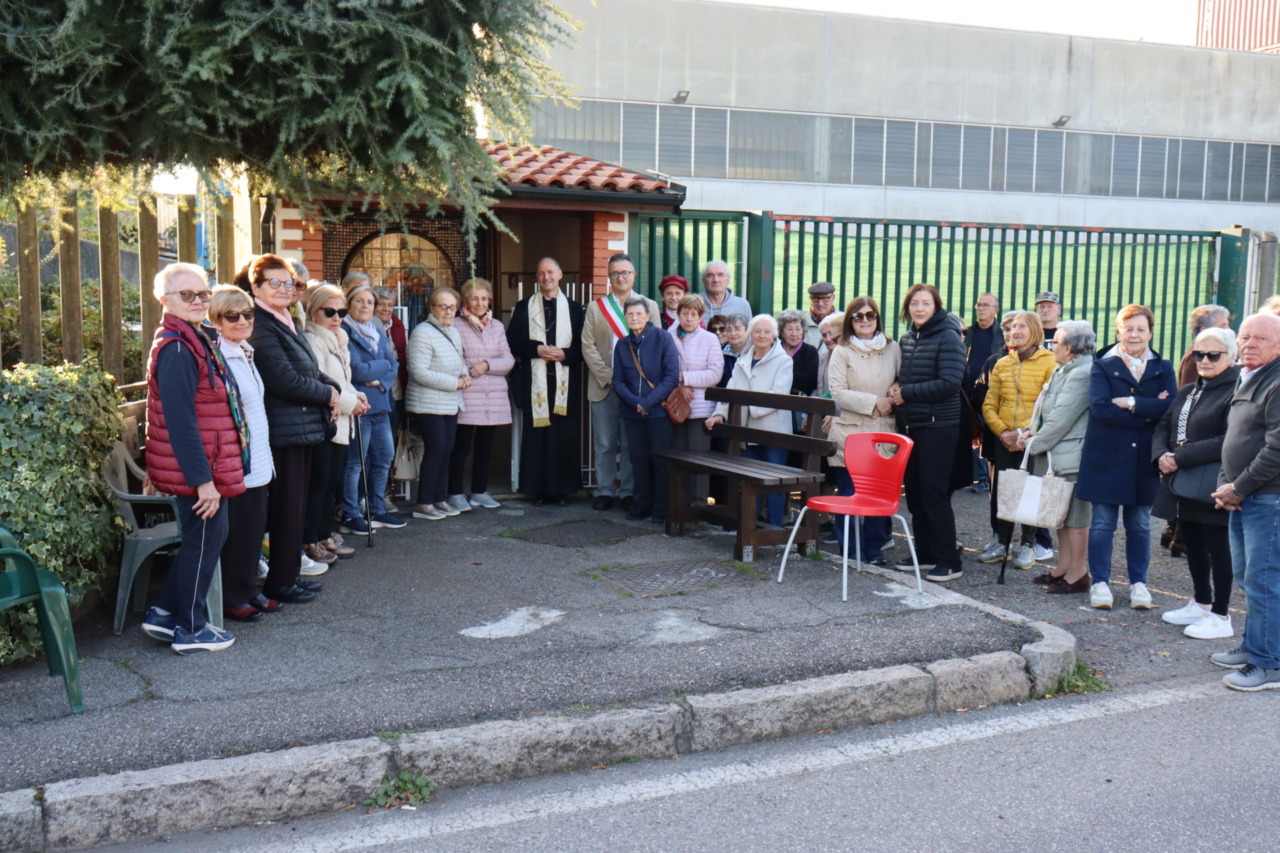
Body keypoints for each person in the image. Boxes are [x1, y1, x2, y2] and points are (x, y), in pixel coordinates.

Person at [141, 264, 243, 653]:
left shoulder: (194, 338)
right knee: (203, 542)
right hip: (199, 471)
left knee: (207, 540)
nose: (199, 301)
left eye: (204, 294)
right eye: (188, 295)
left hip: (207, 465)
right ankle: (190, 630)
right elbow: (181, 422)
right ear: (164, 300)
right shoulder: (179, 348)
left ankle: (166, 614)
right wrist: (203, 481)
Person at [246, 253, 337, 605]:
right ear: (256, 287)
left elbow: (310, 368)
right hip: (283, 429)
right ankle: (280, 582)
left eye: (289, 283)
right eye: (275, 283)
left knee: (295, 507)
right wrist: (328, 393)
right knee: (285, 508)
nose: (284, 289)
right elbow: (282, 380)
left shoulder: (285, 319)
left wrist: (334, 388)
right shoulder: (260, 323)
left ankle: (288, 576)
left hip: (301, 425)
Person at [1076, 304, 1177, 610]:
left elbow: (1169, 408)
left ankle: (1139, 584)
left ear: (1150, 332)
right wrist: (1149, 408)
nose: (1134, 334)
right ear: (1118, 330)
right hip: (1106, 456)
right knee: (1103, 524)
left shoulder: (1164, 367)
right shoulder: (1102, 365)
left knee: (1141, 525)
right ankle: (1101, 583)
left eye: (1141, 329)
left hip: (1143, 460)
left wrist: (1132, 403)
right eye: (1128, 328)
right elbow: (1102, 409)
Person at [1152, 326, 1238, 638]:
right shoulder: (1190, 389)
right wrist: (1161, 453)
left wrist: (1180, 456)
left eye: (1213, 355)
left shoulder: (1234, 389)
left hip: (1212, 481)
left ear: (1230, 356)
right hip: (1184, 482)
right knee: (1193, 542)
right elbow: (1165, 424)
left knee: (1218, 548)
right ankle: (1201, 602)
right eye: (1198, 354)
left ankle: (1221, 614)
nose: (1204, 360)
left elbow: (1226, 438)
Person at [206, 286, 285, 622]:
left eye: (247, 314)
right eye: (232, 316)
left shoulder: (245, 351)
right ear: (217, 321)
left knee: (254, 528)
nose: (242, 321)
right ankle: (233, 595)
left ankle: (250, 588)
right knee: (238, 532)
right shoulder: (219, 356)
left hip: (260, 457)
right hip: (238, 461)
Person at [1211, 313, 1280, 690]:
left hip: (1268, 500)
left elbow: (1276, 448)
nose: (1249, 344)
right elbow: (1233, 439)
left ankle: (1269, 664)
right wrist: (1229, 485)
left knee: (1263, 579)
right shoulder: (1249, 375)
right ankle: (1255, 647)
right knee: (1248, 577)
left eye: (1260, 339)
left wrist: (1240, 487)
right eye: (1245, 337)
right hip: (1246, 496)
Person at [888, 283, 966, 583]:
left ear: (936, 307)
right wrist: (898, 387)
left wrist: (905, 393)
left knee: (934, 492)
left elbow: (949, 382)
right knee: (917, 494)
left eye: (926, 303)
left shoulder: (948, 336)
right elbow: (909, 376)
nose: (919, 308)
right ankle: (925, 552)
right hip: (912, 426)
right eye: (914, 303)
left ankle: (949, 559)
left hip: (938, 426)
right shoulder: (909, 337)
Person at [1018, 321, 1096, 594]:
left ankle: (1078, 574)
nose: (1051, 347)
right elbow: (1044, 412)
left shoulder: (1082, 373)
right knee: (1061, 517)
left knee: (1076, 519)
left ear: (1070, 348)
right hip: (1057, 455)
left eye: (1056, 343)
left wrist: (1033, 444)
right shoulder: (1065, 369)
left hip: (1070, 457)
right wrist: (1028, 432)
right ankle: (1063, 568)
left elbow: (1062, 417)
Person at [979, 310, 1056, 569]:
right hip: (1006, 439)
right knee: (1007, 492)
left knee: (1031, 492)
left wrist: (1026, 433)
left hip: (1032, 441)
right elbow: (990, 404)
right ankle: (1002, 543)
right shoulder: (1002, 364)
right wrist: (1003, 432)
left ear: (1035, 330)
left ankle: (1028, 545)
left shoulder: (1050, 363)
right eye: (1013, 328)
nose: (1016, 331)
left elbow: (1049, 405)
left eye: (1022, 327)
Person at [582, 252, 658, 511]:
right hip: (605, 386)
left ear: (634, 275)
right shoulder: (596, 307)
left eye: (625, 272)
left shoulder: (649, 306)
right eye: (615, 273)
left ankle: (627, 491)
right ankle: (604, 490)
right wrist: (608, 376)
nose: (621, 277)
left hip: (636, 389)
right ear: (609, 277)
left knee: (630, 443)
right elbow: (587, 346)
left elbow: (655, 343)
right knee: (604, 443)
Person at [507, 257, 586, 505]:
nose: (546, 277)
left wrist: (566, 354)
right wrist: (536, 350)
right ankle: (539, 490)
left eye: (550, 272)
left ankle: (561, 491)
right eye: (541, 273)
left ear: (560, 275)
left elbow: (585, 347)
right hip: (536, 384)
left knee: (563, 437)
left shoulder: (574, 309)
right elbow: (512, 341)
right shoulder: (523, 307)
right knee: (538, 436)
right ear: (536, 278)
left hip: (566, 383)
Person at [827, 297, 900, 564]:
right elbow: (837, 391)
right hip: (852, 431)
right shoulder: (842, 350)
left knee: (877, 494)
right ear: (850, 321)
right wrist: (875, 403)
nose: (865, 320)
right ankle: (850, 550)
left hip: (882, 428)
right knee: (849, 492)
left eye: (870, 315)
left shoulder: (892, 348)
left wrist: (893, 396)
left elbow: (901, 379)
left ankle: (874, 550)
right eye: (858, 316)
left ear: (878, 318)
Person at [705, 314, 794, 526]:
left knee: (773, 483)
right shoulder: (743, 360)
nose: (762, 336)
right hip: (746, 432)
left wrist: (748, 408)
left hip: (773, 434)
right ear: (750, 335)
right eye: (757, 331)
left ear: (774, 335)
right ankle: (749, 528)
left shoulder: (784, 361)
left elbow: (778, 395)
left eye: (766, 332)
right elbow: (730, 391)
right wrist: (719, 414)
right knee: (748, 483)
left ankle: (775, 529)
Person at [302, 284, 370, 558]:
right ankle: (311, 538)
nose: (336, 317)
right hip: (325, 421)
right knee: (318, 484)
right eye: (329, 311)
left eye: (341, 311)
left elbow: (344, 381)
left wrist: (357, 397)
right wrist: (351, 403)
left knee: (331, 484)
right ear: (313, 310)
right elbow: (318, 382)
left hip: (343, 422)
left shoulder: (339, 338)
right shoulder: (312, 340)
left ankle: (323, 533)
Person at [447, 278, 515, 510]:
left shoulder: (496, 325)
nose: (479, 303)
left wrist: (486, 365)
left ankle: (479, 491)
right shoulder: (456, 324)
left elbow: (508, 359)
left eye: (484, 298)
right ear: (465, 300)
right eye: (474, 298)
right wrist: (469, 369)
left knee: (486, 448)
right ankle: (455, 493)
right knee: (461, 447)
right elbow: (453, 358)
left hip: (493, 397)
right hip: (467, 394)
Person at [612, 295, 680, 521]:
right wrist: (635, 402)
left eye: (639, 314)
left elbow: (671, 377)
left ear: (648, 316)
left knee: (660, 461)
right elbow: (618, 381)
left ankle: (661, 508)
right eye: (630, 314)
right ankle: (642, 504)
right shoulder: (622, 345)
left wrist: (647, 402)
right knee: (638, 460)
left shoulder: (663, 339)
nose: (634, 318)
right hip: (632, 413)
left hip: (658, 412)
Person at [343, 283, 403, 529]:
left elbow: (394, 365)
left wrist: (378, 377)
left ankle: (376, 510)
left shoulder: (375, 331)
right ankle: (351, 513)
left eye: (370, 302)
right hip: (360, 407)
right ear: (349, 304)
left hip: (380, 405)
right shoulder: (345, 331)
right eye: (360, 301)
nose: (365, 306)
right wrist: (382, 369)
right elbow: (356, 370)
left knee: (383, 459)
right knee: (355, 463)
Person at [407, 286, 468, 520]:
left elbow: (459, 359)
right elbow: (419, 372)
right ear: (431, 308)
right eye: (442, 306)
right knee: (436, 450)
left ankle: (439, 498)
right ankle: (424, 503)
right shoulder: (422, 332)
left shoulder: (452, 331)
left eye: (452, 307)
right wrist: (455, 383)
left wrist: (464, 375)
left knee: (447, 449)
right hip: (428, 403)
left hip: (450, 402)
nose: (448, 311)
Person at [667, 293, 724, 504]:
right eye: (685, 313)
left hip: (700, 408)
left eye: (693, 314)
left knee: (699, 459)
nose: (689, 318)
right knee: (678, 458)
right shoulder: (668, 336)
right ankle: (679, 504)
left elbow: (715, 374)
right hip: (675, 406)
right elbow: (663, 369)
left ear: (700, 316)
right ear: (678, 314)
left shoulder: (709, 339)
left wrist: (686, 379)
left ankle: (699, 504)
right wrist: (679, 386)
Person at [964, 294, 1002, 493]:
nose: (981, 308)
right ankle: (981, 478)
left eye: (986, 305)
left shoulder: (1001, 334)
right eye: (979, 304)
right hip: (967, 391)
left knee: (987, 434)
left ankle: (987, 478)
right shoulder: (968, 333)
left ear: (996, 310)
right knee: (972, 435)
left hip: (990, 393)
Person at [1177, 304, 1232, 386]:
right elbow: (1189, 392)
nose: (1228, 329)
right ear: (1204, 330)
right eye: (1222, 326)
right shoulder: (1194, 357)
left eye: (1227, 324)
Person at [778, 309, 819, 396]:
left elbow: (810, 382)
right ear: (781, 332)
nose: (794, 334)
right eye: (789, 329)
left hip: (800, 400)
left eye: (798, 329)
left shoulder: (810, 352)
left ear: (803, 331)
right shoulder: (775, 350)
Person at [803, 282, 836, 347]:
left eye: (825, 299)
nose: (820, 303)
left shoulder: (843, 321)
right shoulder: (801, 323)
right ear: (810, 299)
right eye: (815, 299)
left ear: (833, 298)